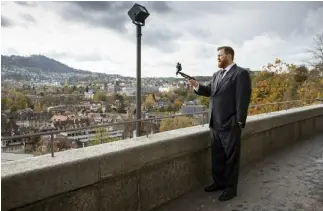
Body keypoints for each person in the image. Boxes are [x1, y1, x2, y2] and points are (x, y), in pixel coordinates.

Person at [188, 46, 251, 201]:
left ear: (229, 56)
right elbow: (210, 91)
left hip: (230, 124)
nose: (217, 58)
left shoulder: (240, 74)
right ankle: (219, 182)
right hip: (215, 124)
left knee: (231, 158)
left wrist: (238, 121)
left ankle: (230, 189)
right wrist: (196, 85)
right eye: (217, 56)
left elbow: (243, 99)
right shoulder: (216, 75)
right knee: (217, 156)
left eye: (220, 56)